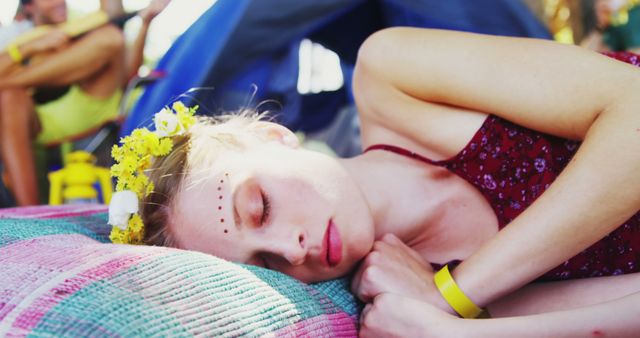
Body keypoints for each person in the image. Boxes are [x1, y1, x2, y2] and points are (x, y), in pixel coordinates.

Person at [107, 27, 640, 336]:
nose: (290, 253)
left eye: (259, 207)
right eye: (264, 264)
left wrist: (456, 296)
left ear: (273, 137)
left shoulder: (392, 77)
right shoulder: (403, 288)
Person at [0, 0, 169, 206]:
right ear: (29, 7)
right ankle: (29, 212)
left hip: (92, 103)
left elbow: (128, 76)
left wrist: (145, 22)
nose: (59, 2)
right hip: (33, 119)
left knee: (110, 36)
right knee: (9, 95)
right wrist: (29, 47)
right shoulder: (18, 36)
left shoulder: (85, 28)